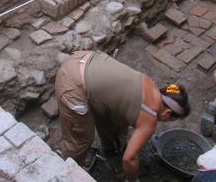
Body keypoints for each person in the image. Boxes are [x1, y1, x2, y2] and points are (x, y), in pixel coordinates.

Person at [55, 50, 190, 182]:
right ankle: (66, 173)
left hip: (85, 57)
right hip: (72, 83)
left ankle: (112, 152)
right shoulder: (150, 118)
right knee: (80, 140)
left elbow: (120, 111)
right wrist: (133, 179)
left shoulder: (150, 85)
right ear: (167, 113)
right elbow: (129, 159)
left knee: (113, 118)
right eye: (172, 119)